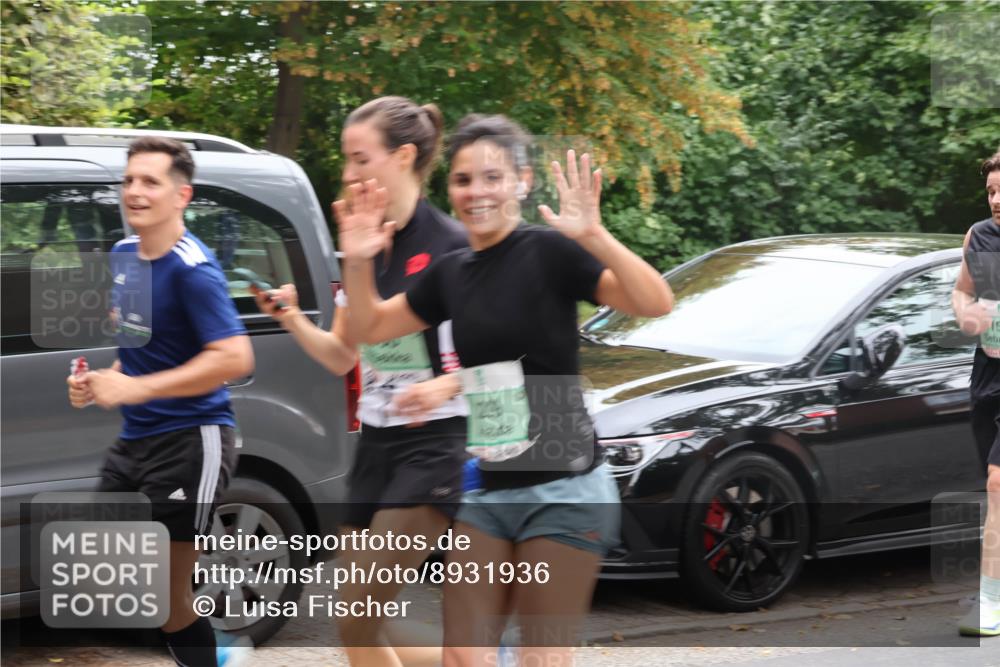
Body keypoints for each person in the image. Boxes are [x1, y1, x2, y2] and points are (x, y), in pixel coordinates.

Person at [335, 114, 673, 666]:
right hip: (489, 491)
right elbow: (369, 328)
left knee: (542, 660)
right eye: (464, 180)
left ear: (520, 180)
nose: (476, 193)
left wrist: (594, 234)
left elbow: (654, 301)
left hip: (564, 490)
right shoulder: (451, 272)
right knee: (463, 659)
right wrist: (358, 259)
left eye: (491, 178)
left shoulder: (549, 253)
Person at [254, 96, 468, 667]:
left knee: (355, 613)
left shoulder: (452, 246)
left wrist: (444, 387)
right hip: (374, 446)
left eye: (358, 158)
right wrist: (290, 316)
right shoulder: (362, 246)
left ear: (401, 157)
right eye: (345, 160)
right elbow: (341, 356)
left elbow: (505, 356)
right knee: (367, 624)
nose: (348, 173)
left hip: (436, 447)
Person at [66, 137, 254, 666]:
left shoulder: (195, 269)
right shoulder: (126, 258)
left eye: (150, 181)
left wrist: (138, 389)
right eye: (129, 180)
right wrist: (102, 380)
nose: (135, 191)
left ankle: (217, 656)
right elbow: (142, 350)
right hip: (136, 440)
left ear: (182, 195)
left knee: (169, 598)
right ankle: (221, 654)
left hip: (192, 441)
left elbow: (236, 357)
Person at [955, 149, 1000, 637]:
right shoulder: (979, 236)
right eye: (990, 190)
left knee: (997, 483)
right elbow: (961, 290)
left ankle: (990, 603)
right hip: (988, 377)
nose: (996, 200)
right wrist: (965, 313)